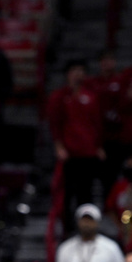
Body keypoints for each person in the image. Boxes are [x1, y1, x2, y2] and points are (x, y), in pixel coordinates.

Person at [46, 60, 104, 233]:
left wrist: (99, 146)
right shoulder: (59, 97)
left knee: (86, 194)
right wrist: (58, 146)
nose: (78, 74)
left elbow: (97, 124)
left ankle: (87, 228)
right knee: (68, 194)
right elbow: (55, 124)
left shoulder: (91, 96)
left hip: (88, 153)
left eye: (81, 71)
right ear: (68, 74)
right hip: (70, 155)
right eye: (74, 70)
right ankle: (68, 229)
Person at [55, 204, 126, 262]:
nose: (87, 224)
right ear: (77, 222)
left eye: (90, 220)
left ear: (98, 222)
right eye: (84, 220)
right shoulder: (65, 248)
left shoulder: (111, 247)